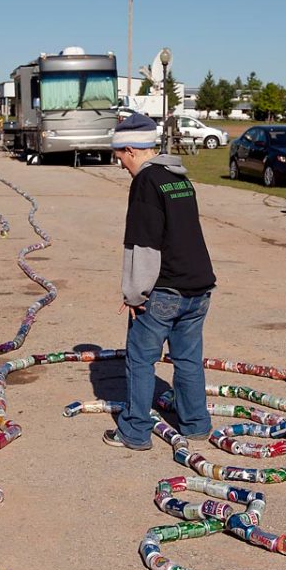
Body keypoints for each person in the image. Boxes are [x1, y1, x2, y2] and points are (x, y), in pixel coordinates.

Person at [104, 112, 216, 451]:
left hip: (165, 289)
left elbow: (144, 244)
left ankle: (134, 431)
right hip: (199, 287)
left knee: (140, 359)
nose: (120, 164)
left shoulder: (146, 183)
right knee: (187, 359)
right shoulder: (179, 177)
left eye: (119, 156)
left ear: (131, 149)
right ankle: (197, 424)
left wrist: (135, 294)